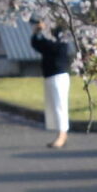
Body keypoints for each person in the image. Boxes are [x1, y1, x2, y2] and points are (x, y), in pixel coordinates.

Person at [29, 19, 76, 147]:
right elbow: (37, 45)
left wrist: (43, 31)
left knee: (60, 105)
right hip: (49, 74)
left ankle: (62, 134)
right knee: (53, 106)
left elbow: (51, 46)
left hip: (59, 75)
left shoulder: (61, 36)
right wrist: (36, 33)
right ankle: (60, 133)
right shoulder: (48, 38)